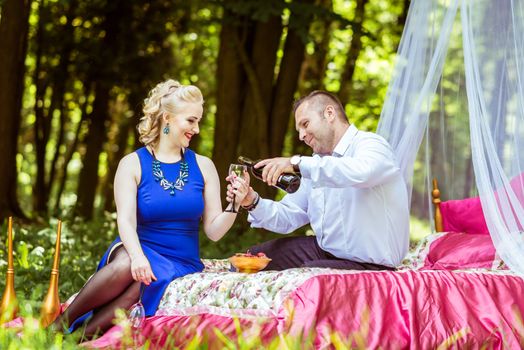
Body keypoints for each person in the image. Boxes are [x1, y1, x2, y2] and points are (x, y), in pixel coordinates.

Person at [52, 79, 249, 337]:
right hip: (136, 246)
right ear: (168, 118)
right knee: (128, 267)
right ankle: (57, 326)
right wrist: (137, 256)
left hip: (180, 259)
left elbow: (213, 231)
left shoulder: (204, 165)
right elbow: (125, 222)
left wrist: (235, 204)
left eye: (198, 121)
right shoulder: (131, 164)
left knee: (142, 285)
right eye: (191, 121)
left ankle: (79, 337)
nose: (197, 129)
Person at [229, 90, 409, 271]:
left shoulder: (371, 144)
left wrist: (296, 163)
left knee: (307, 276)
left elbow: (362, 171)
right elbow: (289, 215)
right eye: (299, 130)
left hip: (371, 264)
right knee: (250, 261)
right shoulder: (316, 163)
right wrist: (251, 201)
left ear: (329, 114)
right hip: (326, 252)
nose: (301, 135)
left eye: (305, 124)